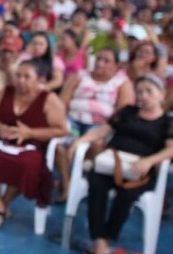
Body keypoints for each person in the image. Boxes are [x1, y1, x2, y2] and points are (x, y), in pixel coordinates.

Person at [68, 74, 173, 254]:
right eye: (140, 92)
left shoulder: (167, 122)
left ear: (162, 94)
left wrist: (149, 161)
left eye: (149, 91)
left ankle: (106, 238)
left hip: (140, 169)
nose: (143, 96)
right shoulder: (127, 112)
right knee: (96, 184)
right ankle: (100, 241)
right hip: (111, 163)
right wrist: (81, 140)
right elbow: (103, 130)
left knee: (127, 194)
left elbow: (172, 148)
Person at [0, 60, 70, 231]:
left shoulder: (48, 99)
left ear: (39, 79)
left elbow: (62, 130)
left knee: (27, 165)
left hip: (33, 145)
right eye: (18, 75)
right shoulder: (6, 92)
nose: (21, 80)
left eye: (27, 77)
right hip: (3, 140)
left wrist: (30, 133)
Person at [55, 49, 134, 193]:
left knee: (97, 145)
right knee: (60, 145)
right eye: (98, 59)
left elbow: (122, 114)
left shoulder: (122, 83)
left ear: (116, 65)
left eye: (106, 61)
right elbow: (61, 103)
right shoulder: (79, 76)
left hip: (100, 125)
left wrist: (105, 127)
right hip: (73, 120)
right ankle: (67, 186)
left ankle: (82, 176)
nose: (100, 63)